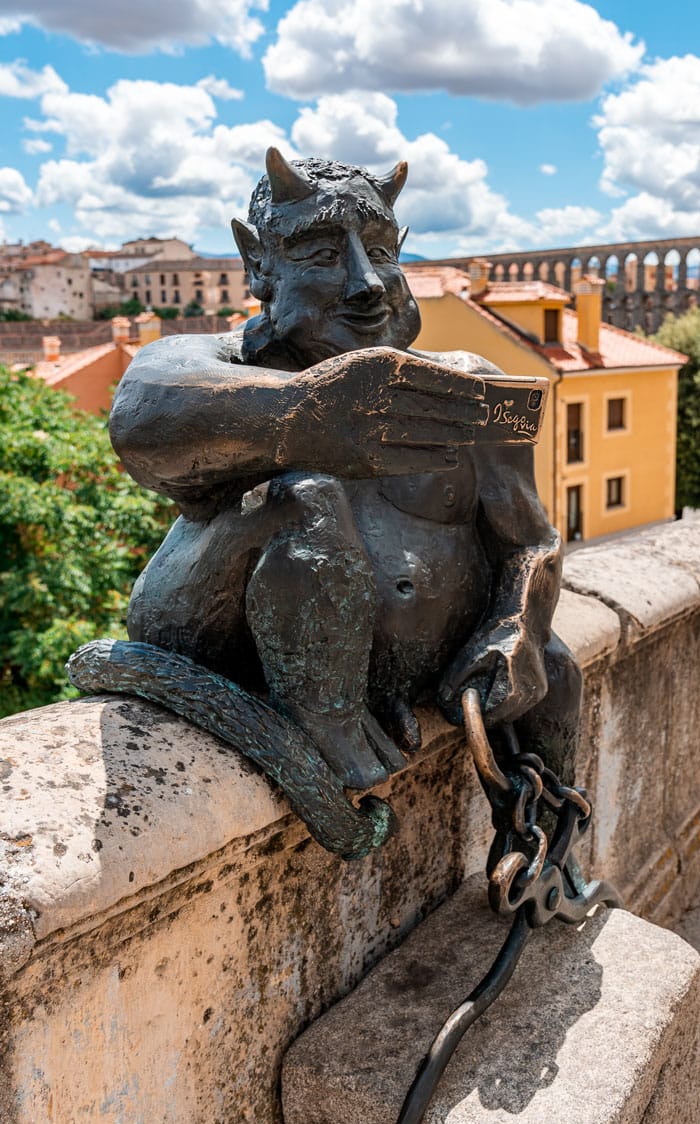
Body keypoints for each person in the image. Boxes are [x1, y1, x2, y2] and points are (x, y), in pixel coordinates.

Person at [109, 149, 580, 792]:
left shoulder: (465, 386)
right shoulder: (225, 365)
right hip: (218, 642)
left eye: (382, 253)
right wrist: (302, 415)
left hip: (425, 675)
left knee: (557, 668)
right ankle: (326, 723)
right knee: (304, 497)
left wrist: (516, 628)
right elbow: (143, 409)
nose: (369, 285)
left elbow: (532, 542)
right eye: (325, 256)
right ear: (258, 263)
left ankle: (547, 867)